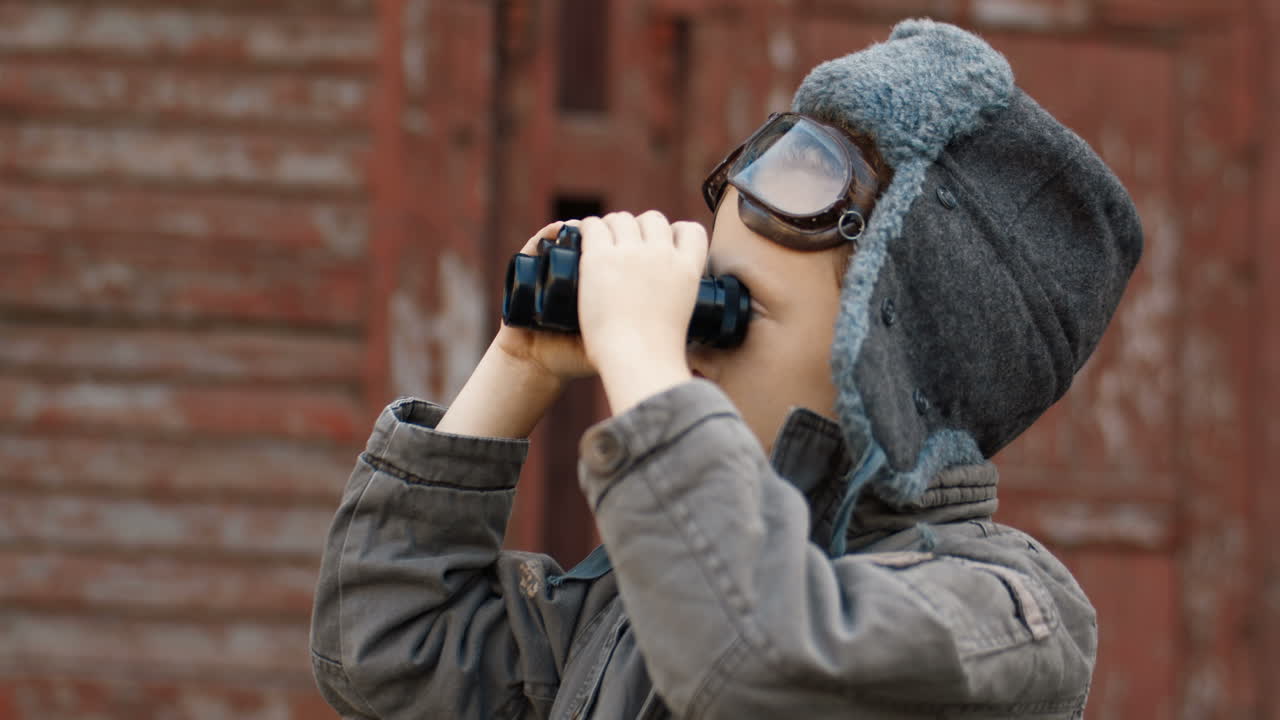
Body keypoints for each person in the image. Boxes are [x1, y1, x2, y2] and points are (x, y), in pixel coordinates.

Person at [310, 18, 1141, 719]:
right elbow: (387, 652)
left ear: (893, 356)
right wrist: (519, 365)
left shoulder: (1005, 614)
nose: (689, 345)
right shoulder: (649, 601)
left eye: (734, 314)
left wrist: (639, 352)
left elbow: (755, 655)